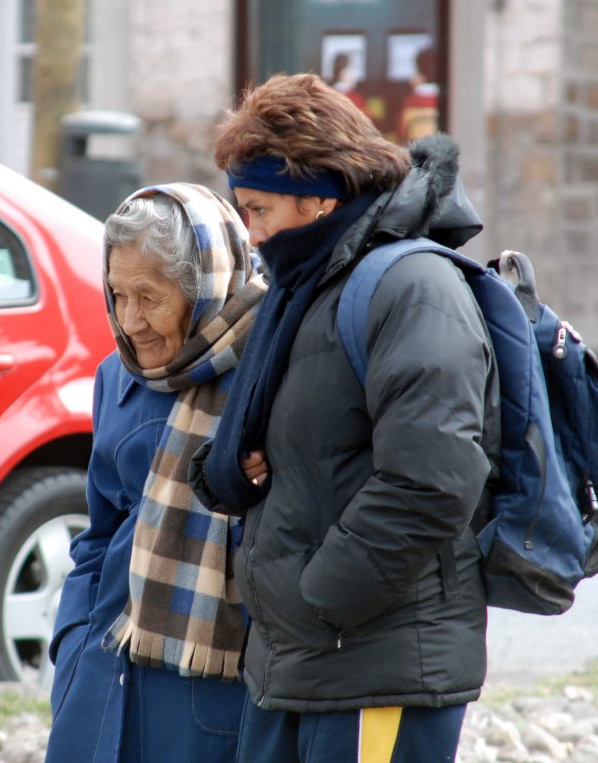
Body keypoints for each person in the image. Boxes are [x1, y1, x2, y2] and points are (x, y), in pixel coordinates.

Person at [191, 72, 501, 762]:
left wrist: (319, 596)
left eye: (260, 209)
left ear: (319, 198)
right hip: (298, 664)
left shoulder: (413, 289)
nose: (251, 232)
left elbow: (433, 481)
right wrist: (233, 464)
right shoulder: (305, 286)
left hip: (374, 665)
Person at [45, 182, 267, 762]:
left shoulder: (264, 370)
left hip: (207, 687)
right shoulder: (115, 378)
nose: (131, 320)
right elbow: (97, 535)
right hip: (100, 674)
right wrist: (72, 643)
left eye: (150, 296)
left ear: (205, 290)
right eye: (118, 294)